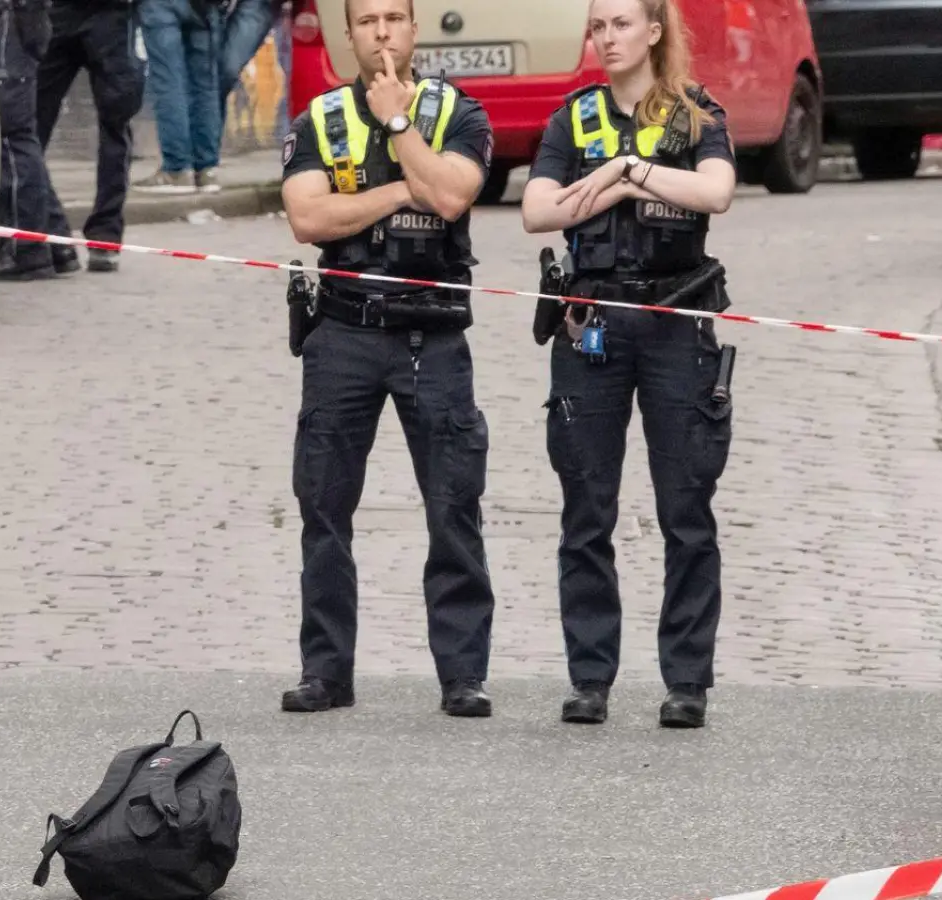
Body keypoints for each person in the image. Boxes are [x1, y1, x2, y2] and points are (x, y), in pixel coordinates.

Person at [520, 0, 738, 728]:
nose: (605, 38)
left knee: (686, 510)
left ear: (653, 30)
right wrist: (620, 180)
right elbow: (538, 210)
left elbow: (716, 193)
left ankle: (686, 683)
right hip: (594, 324)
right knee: (587, 508)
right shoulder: (572, 117)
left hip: (675, 320)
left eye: (619, 24)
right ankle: (591, 679)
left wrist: (627, 169)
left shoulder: (696, 112)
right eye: (597, 26)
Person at [278, 0, 499, 718]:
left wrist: (401, 126)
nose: (381, 34)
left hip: (429, 336)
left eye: (394, 19)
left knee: (453, 508)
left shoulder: (457, 114)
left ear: (414, 29)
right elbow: (310, 218)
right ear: (349, 35)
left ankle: (463, 675)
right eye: (367, 20)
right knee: (324, 508)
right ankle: (326, 671)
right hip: (342, 333)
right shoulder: (320, 119)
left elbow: (456, 195)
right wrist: (408, 188)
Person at [36, 0, 145, 273]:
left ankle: (99, 236)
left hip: (108, 14)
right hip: (63, 14)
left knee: (115, 124)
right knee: (27, 132)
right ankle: (60, 235)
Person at [0, 0, 61, 280]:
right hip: (9, 20)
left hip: (7, 19)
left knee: (12, 138)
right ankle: (56, 242)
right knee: (18, 138)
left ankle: (27, 249)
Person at [133, 0, 227, 193]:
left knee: (168, 81)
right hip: (204, 7)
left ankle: (177, 169)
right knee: (205, 85)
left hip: (160, 5)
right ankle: (206, 169)